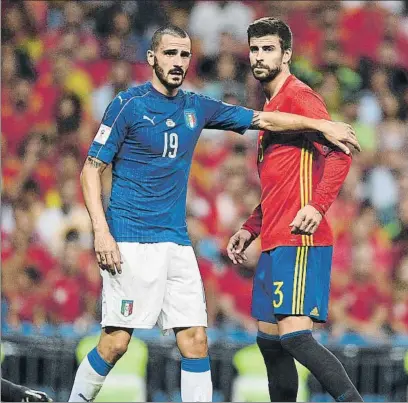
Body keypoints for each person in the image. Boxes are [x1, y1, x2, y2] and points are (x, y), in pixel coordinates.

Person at [68, 25, 360, 403]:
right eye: (169, 53)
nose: (177, 62)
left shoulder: (198, 106)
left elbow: (265, 121)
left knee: (198, 340)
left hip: (178, 242)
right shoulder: (128, 104)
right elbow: (91, 168)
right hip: (131, 238)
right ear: (151, 57)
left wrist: (321, 125)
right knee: (116, 343)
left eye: (184, 55)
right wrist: (101, 233)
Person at [227, 18, 363, 402]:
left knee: (296, 337)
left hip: (299, 238)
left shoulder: (299, 97)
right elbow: (278, 184)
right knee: (270, 343)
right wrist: (250, 227)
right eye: (254, 48)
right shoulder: (270, 108)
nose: (259, 56)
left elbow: (340, 155)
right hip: (272, 239)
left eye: (268, 48)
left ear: (286, 54)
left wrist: (318, 207)